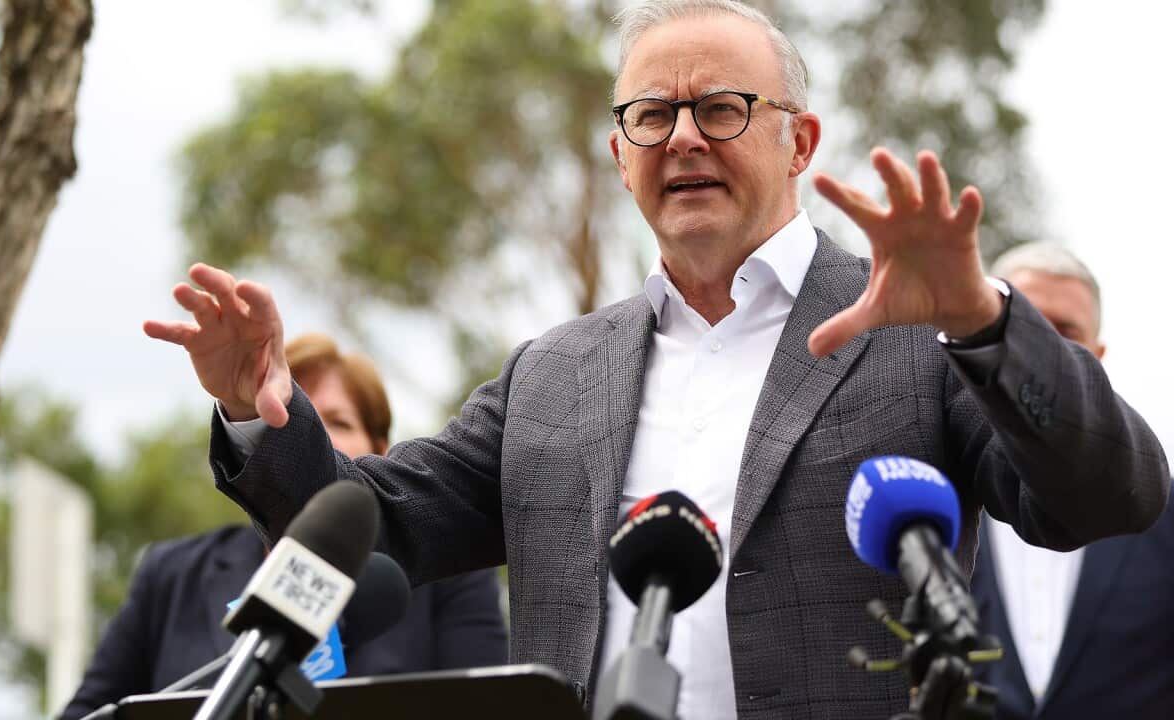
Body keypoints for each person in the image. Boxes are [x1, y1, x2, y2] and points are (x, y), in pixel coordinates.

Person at [144, 2, 1169, 718]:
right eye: (651, 114)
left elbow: (1107, 497)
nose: (682, 137)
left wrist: (982, 318)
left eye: (720, 108)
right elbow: (378, 525)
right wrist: (258, 413)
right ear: (618, 154)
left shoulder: (910, 335)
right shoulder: (552, 374)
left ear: (800, 141)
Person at [58, 333, 508, 720]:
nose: (315, 439)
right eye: (292, 417)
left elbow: (490, 709)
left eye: (336, 422)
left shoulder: (452, 580)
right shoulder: (172, 574)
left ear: (381, 451)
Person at [968, 243, 1174, 719]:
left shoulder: (1163, 513)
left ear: (1097, 357)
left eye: (1065, 333)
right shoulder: (933, 503)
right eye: (1026, 324)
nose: (1044, 351)